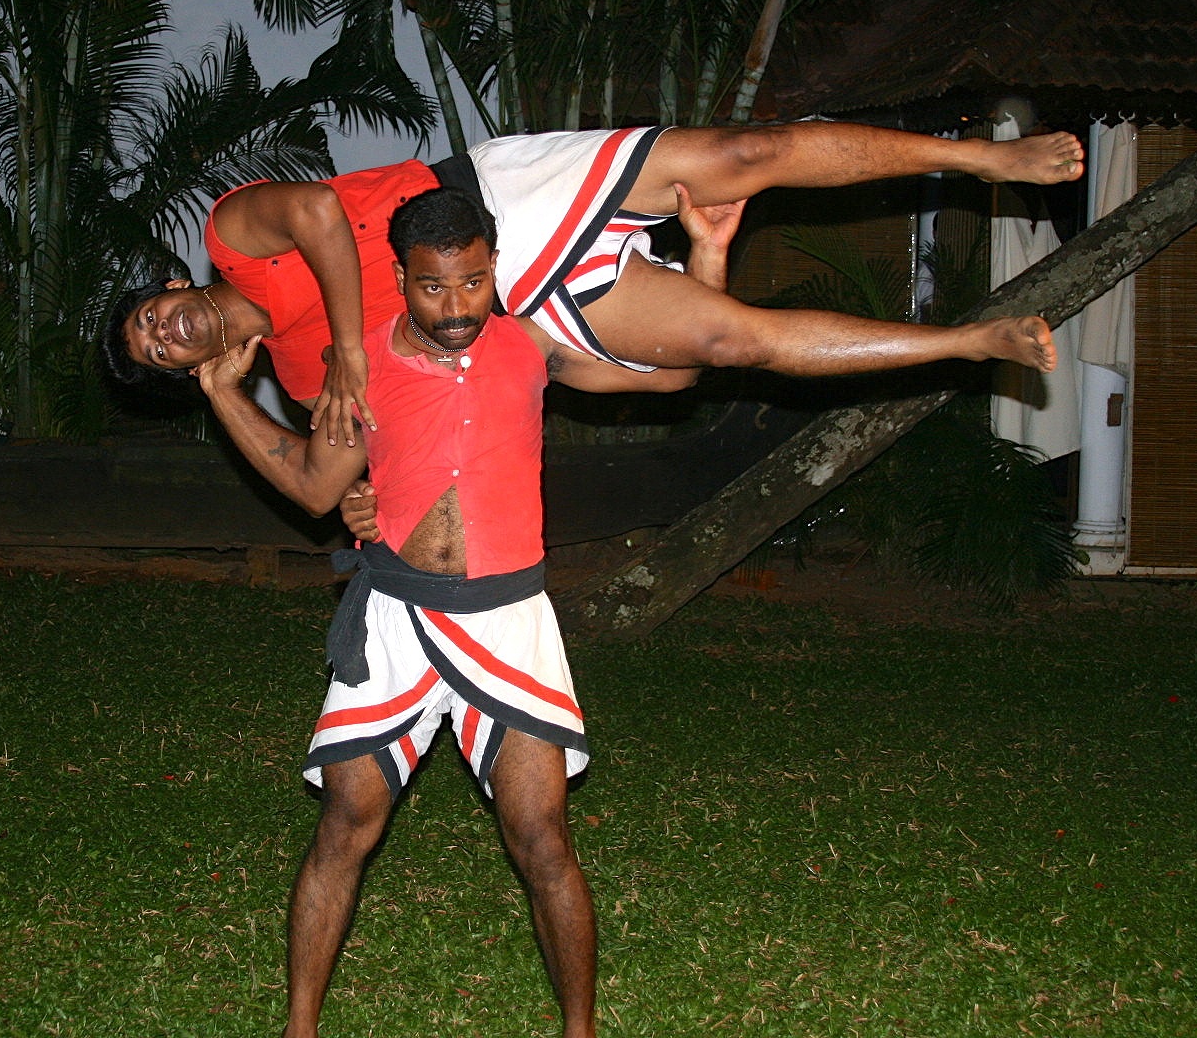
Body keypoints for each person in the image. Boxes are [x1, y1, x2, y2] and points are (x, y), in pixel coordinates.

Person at [201, 187, 705, 1038]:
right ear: (400, 277)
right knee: (345, 826)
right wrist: (223, 396)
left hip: (510, 620)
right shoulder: (356, 365)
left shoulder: (534, 344)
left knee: (541, 839)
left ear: (494, 269)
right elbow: (311, 483)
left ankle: (580, 1030)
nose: (457, 306)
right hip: (396, 620)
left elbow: (681, 371)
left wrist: (710, 256)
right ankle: (298, 1029)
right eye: (434, 287)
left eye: (472, 283)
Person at [105, 122, 1075, 444]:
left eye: (151, 316)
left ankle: (989, 161)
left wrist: (355, 348)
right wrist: (241, 404)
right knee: (728, 343)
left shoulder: (231, 234)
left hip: (502, 196)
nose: (167, 331)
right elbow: (354, 476)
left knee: (748, 151)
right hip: (519, 309)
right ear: (192, 367)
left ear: (168, 285)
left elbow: (317, 216)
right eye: (159, 353)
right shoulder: (312, 384)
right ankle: (971, 344)